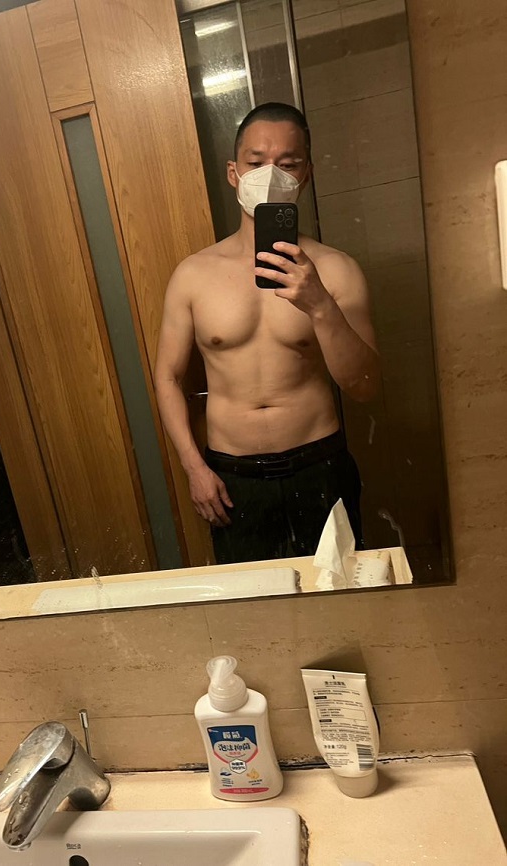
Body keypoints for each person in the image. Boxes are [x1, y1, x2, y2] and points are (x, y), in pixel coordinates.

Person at [154, 102, 380, 564]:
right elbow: (168, 377)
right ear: (234, 173)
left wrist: (320, 304)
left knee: (340, 598)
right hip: (231, 478)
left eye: (288, 164)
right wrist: (194, 467)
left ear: (306, 175)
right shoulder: (193, 274)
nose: (271, 175)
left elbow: (365, 387)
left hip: (319, 466)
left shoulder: (336, 269)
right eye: (256, 162)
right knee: (255, 605)